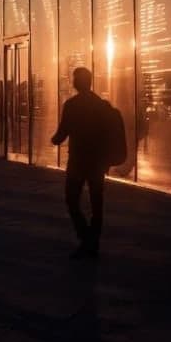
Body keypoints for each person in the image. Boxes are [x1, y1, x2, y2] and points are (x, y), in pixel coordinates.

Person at [51, 67, 111, 259]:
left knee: (72, 200)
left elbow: (62, 134)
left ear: (77, 82)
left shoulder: (71, 105)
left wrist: (54, 140)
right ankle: (93, 242)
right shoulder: (101, 105)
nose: (73, 82)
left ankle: (86, 239)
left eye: (74, 79)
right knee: (96, 203)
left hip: (78, 161)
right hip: (97, 162)